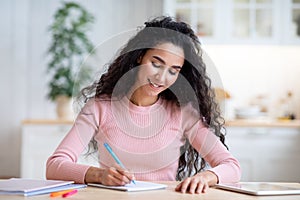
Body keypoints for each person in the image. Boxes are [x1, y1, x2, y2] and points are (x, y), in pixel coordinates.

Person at [46, 16, 241, 194]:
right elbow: (54, 166)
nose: (161, 78)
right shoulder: (99, 108)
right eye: (156, 63)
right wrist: (99, 175)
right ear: (139, 56)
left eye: (173, 71)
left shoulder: (182, 113)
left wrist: (206, 177)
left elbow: (231, 166)